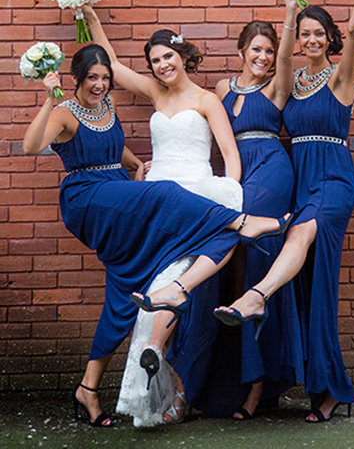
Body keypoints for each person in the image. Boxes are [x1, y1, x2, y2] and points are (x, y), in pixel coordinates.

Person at [22, 44, 290, 428]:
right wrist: (49, 99)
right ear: (76, 80)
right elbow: (31, 146)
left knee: (121, 295)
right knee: (165, 191)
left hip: (117, 192)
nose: (99, 85)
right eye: (92, 79)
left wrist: (134, 163)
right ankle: (241, 222)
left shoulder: (106, 107)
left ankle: (88, 388)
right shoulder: (65, 112)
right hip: (89, 199)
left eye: (105, 79)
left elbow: (111, 146)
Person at [213, 0, 354, 422]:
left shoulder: (339, 78)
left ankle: (256, 295)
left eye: (317, 34)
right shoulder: (295, 81)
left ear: (329, 39)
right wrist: (289, 8)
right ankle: (326, 389)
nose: (310, 40)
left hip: (332, 178)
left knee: (303, 233)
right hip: (301, 178)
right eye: (305, 34)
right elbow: (280, 52)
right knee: (311, 287)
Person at [208, 0, 303, 419]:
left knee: (256, 264)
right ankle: (232, 376)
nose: (264, 58)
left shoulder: (275, 88)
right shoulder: (220, 88)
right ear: (242, 51)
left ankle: (258, 386)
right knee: (235, 270)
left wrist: (288, 12)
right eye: (257, 50)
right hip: (234, 176)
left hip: (271, 170)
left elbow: (286, 59)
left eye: (269, 51)